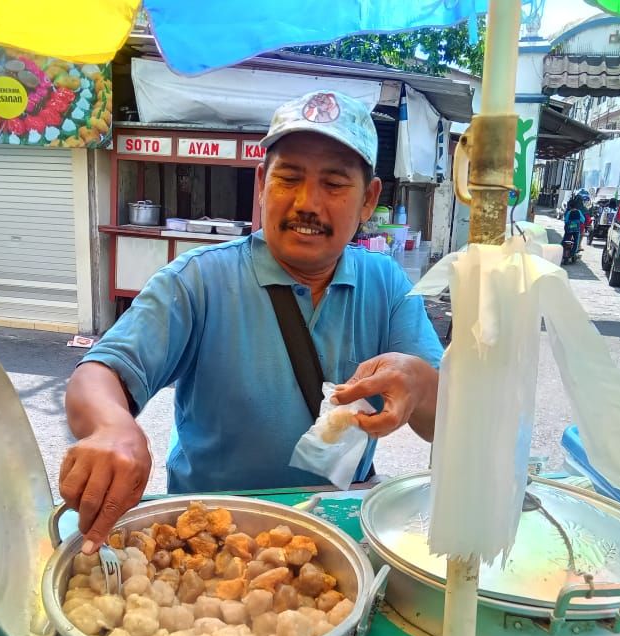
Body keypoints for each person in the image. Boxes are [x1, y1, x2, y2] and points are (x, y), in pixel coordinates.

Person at [60, 90, 444, 552]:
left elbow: (444, 423)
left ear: (369, 200)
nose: (307, 203)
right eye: (289, 178)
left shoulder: (387, 284)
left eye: (335, 184)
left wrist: (420, 382)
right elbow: (99, 373)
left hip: (337, 528)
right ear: (262, 184)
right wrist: (111, 428)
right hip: (211, 533)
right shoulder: (199, 279)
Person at [562, 195, 586, 260]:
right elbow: (583, 220)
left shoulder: (569, 212)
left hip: (569, 230)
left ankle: (561, 250)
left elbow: (566, 220)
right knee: (576, 242)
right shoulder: (579, 212)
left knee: (564, 240)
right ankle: (573, 253)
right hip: (576, 230)